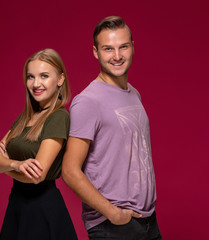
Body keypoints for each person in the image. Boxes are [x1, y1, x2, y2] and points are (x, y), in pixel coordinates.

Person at [62, 16, 162, 239]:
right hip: (113, 227)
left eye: (123, 47)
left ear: (132, 47)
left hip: (148, 222)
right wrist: (113, 214)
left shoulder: (134, 94)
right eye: (108, 49)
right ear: (96, 52)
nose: (117, 56)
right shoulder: (88, 101)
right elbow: (69, 170)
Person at [0, 49, 77, 240]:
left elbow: (37, 176)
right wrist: (16, 165)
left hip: (42, 209)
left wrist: (4, 167)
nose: (36, 84)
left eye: (44, 76)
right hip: (17, 204)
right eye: (31, 77)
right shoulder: (25, 117)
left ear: (60, 79)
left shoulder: (58, 117)